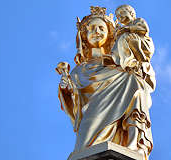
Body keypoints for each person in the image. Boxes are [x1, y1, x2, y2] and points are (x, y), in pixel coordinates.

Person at [57, 6, 155, 160]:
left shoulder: (122, 65)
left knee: (135, 83)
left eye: (101, 28)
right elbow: (73, 102)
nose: (96, 31)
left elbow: (144, 70)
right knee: (86, 150)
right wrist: (65, 88)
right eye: (92, 29)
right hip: (91, 117)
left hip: (123, 112)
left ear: (110, 35)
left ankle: (133, 143)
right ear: (84, 37)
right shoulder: (79, 70)